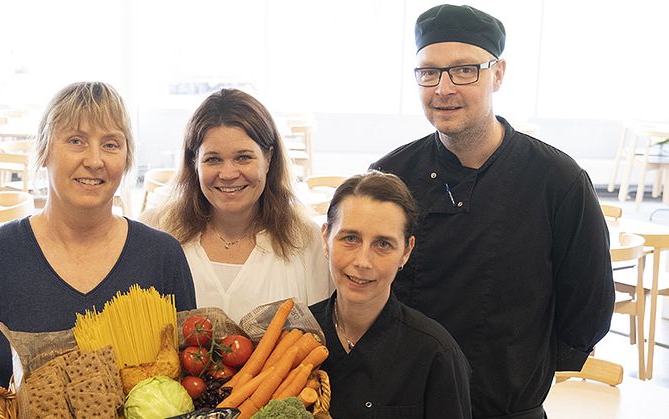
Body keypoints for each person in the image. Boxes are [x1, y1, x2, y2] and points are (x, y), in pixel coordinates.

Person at [369, 5, 614, 418]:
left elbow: (588, 302)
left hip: (507, 407)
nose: (443, 89)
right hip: (406, 404)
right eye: (428, 72)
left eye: (464, 70)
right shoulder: (392, 175)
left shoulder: (556, 179)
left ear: (498, 74)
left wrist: (523, 367)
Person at [0, 82, 197, 418]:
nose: (94, 160)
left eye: (111, 144)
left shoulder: (162, 255)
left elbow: (193, 376)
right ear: (44, 150)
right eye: (76, 141)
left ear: (127, 159)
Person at [141, 88, 330, 322]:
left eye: (243, 157)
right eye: (213, 159)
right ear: (194, 163)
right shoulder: (156, 232)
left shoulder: (306, 241)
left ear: (268, 158)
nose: (228, 174)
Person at [309, 171, 471, 419]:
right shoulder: (296, 333)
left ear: (406, 251)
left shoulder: (435, 353)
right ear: (326, 239)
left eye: (383, 244)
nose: (363, 261)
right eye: (350, 238)